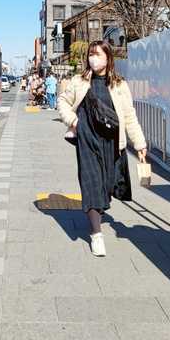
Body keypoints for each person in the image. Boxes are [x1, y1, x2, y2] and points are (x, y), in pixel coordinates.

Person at [57, 40, 147, 257]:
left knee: (106, 184)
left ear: (108, 58)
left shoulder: (119, 84)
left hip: (112, 142)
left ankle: (99, 208)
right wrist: (73, 122)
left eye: (97, 54)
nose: (93, 58)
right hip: (87, 139)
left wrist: (140, 143)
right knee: (91, 183)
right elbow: (62, 101)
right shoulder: (80, 81)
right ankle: (96, 234)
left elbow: (129, 115)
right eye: (90, 54)